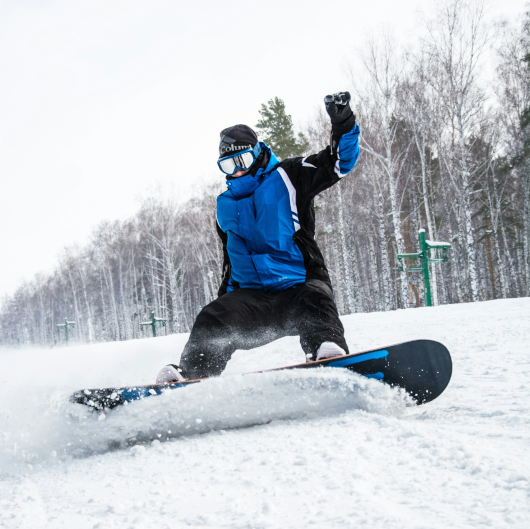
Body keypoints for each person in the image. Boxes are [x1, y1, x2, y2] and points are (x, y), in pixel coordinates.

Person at [156, 92, 360, 383]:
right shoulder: (224, 205)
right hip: (254, 299)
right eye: (228, 165)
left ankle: (327, 353)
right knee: (212, 317)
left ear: (257, 153)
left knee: (316, 301)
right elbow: (231, 260)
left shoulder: (289, 176)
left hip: (298, 287)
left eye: (243, 159)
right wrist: (226, 304)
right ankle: (191, 377)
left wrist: (342, 122)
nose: (237, 169)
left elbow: (340, 163)